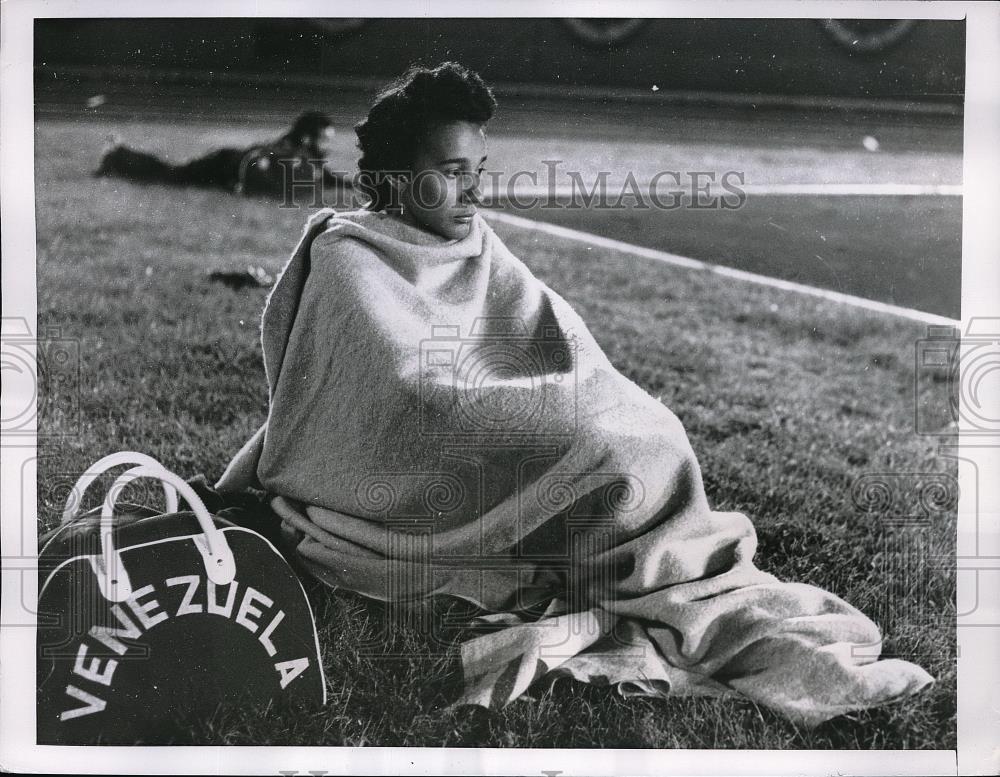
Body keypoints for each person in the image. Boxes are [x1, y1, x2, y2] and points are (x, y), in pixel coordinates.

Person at [215, 61, 933, 726]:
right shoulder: (350, 255)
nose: (473, 190)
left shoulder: (474, 237)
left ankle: (671, 576)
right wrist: (525, 412)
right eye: (452, 171)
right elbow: (395, 391)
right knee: (602, 449)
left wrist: (585, 395)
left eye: (479, 170)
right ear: (399, 177)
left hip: (495, 415)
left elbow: (550, 330)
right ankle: (640, 565)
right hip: (428, 449)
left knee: (646, 431)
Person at [94, 111, 352, 200]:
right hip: (225, 165)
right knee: (169, 176)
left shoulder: (300, 152)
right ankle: (117, 155)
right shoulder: (292, 153)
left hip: (228, 163)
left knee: (171, 173)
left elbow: (325, 178)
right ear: (308, 138)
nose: (327, 147)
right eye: (324, 140)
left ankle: (118, 155)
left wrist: (353, 184)